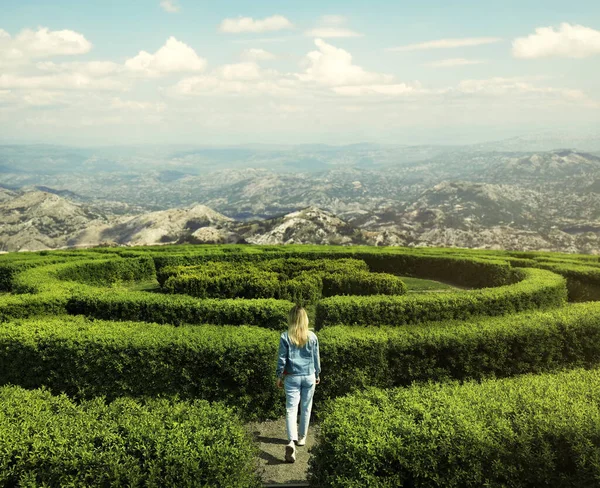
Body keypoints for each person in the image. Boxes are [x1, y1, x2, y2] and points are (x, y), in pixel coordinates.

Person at [276, 304, 321, 464]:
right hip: (309, 376)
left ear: (291, 319)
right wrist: (317, 373)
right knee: (306, 407)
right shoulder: (312, 336)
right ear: (305, 319)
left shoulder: (285, 336)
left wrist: (279, 376)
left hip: (292, 377)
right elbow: (316, 357)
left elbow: (282, 359)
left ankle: (291, 441)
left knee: (291, 409)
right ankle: (302, 438)